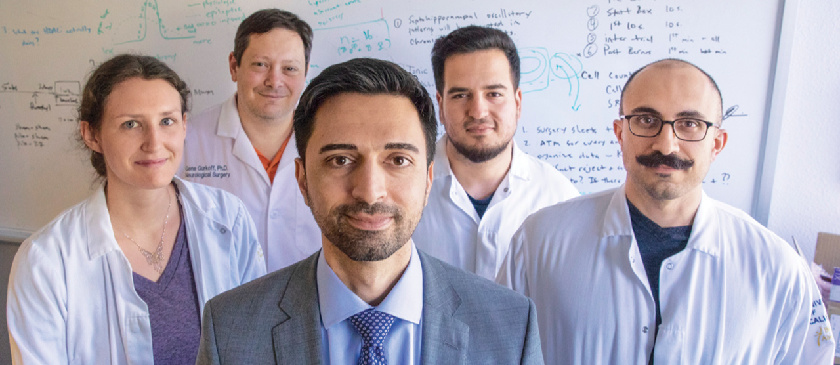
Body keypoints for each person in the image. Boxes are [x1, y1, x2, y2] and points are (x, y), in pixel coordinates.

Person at [195, 58, 543, 364]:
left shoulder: (512, 327)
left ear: (427, 179)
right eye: (340, 160)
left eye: (398, 160)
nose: (369, 191)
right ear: (302, 180)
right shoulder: (229, 330)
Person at [497, 58, 834, 364]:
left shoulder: (775, 267)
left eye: (689, 124)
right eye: (646, 120)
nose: (666, 144)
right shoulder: (539, 241)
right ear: (620, 134)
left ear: (717, 143)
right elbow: (498, 351)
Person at [6, 54, 266, 364]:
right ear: (92, 134)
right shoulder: (45, 260)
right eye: (131, 124)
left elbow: (256, 343)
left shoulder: (228, 218)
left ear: (184, 125)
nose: (154, 143)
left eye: (166, 121)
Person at [412, 26, 579, 280]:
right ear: (441, 106)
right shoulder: (404, 188)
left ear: (517, 102)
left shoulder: (559, 199)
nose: (478, 111)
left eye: (494, 94)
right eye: (461, 95)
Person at [181, 9, 320, 272]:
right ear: (234, 67)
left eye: (289, 68)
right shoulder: (186, 141)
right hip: (219, 305)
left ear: (305, 73)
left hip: (309, 305)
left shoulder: (328, 143)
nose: (274, 81)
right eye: (260, 65)